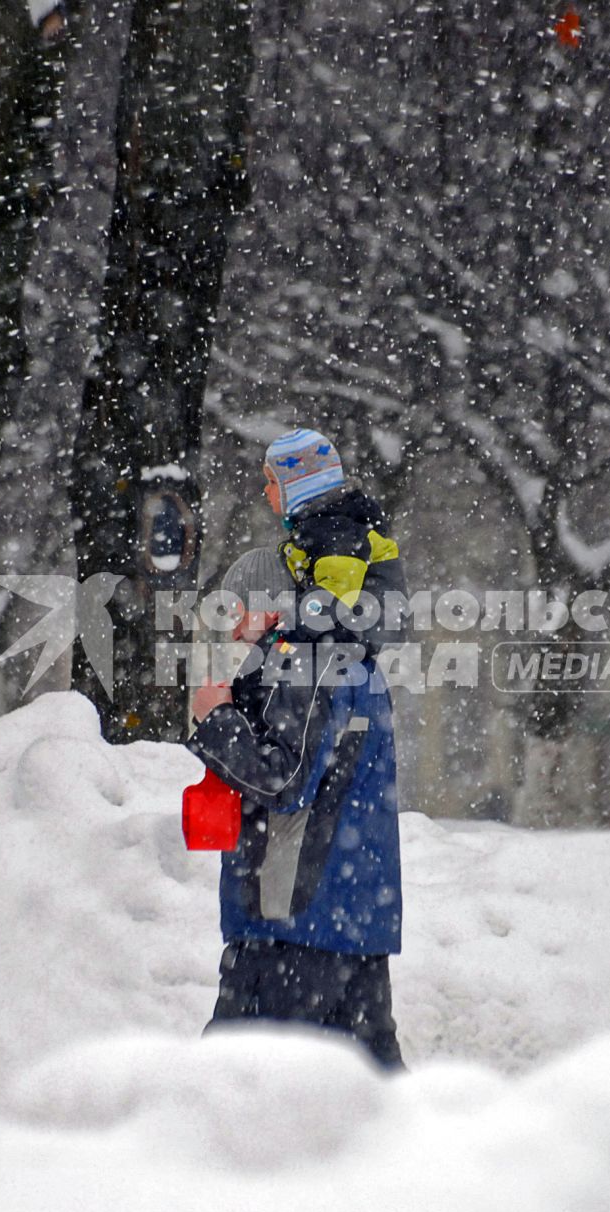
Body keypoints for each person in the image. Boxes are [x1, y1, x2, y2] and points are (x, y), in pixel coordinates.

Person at [185, 431, 407, 1070]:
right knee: (375, 1099)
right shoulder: (353, 664)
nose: (233, 628)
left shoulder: (308, 659)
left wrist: (218, 716)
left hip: (292, 915)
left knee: (227, 1088)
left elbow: (283, 780)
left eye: (238, 611)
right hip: (350, 914)